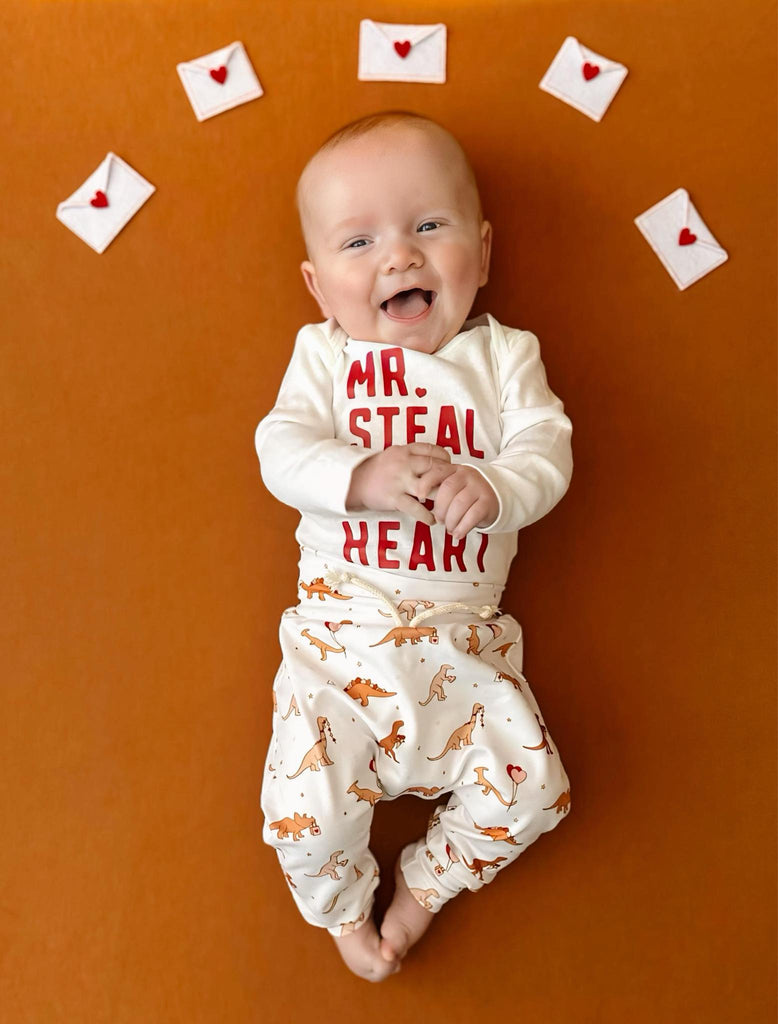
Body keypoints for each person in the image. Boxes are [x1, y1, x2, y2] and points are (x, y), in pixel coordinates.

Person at [254, 110, 573, 982]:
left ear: (483, 250)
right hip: (339, 644)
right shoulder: (325, 357)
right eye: (359, 243)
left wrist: (498, 489)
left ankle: (427, 884)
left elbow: (546, 449)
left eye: (429, 226)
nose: (399, 257)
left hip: (465, 646)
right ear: (320, 288)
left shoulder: (503, 356)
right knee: (301, 812)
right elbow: (280, 449)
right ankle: (342, 911)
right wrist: (359, 475)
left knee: (535, 791)